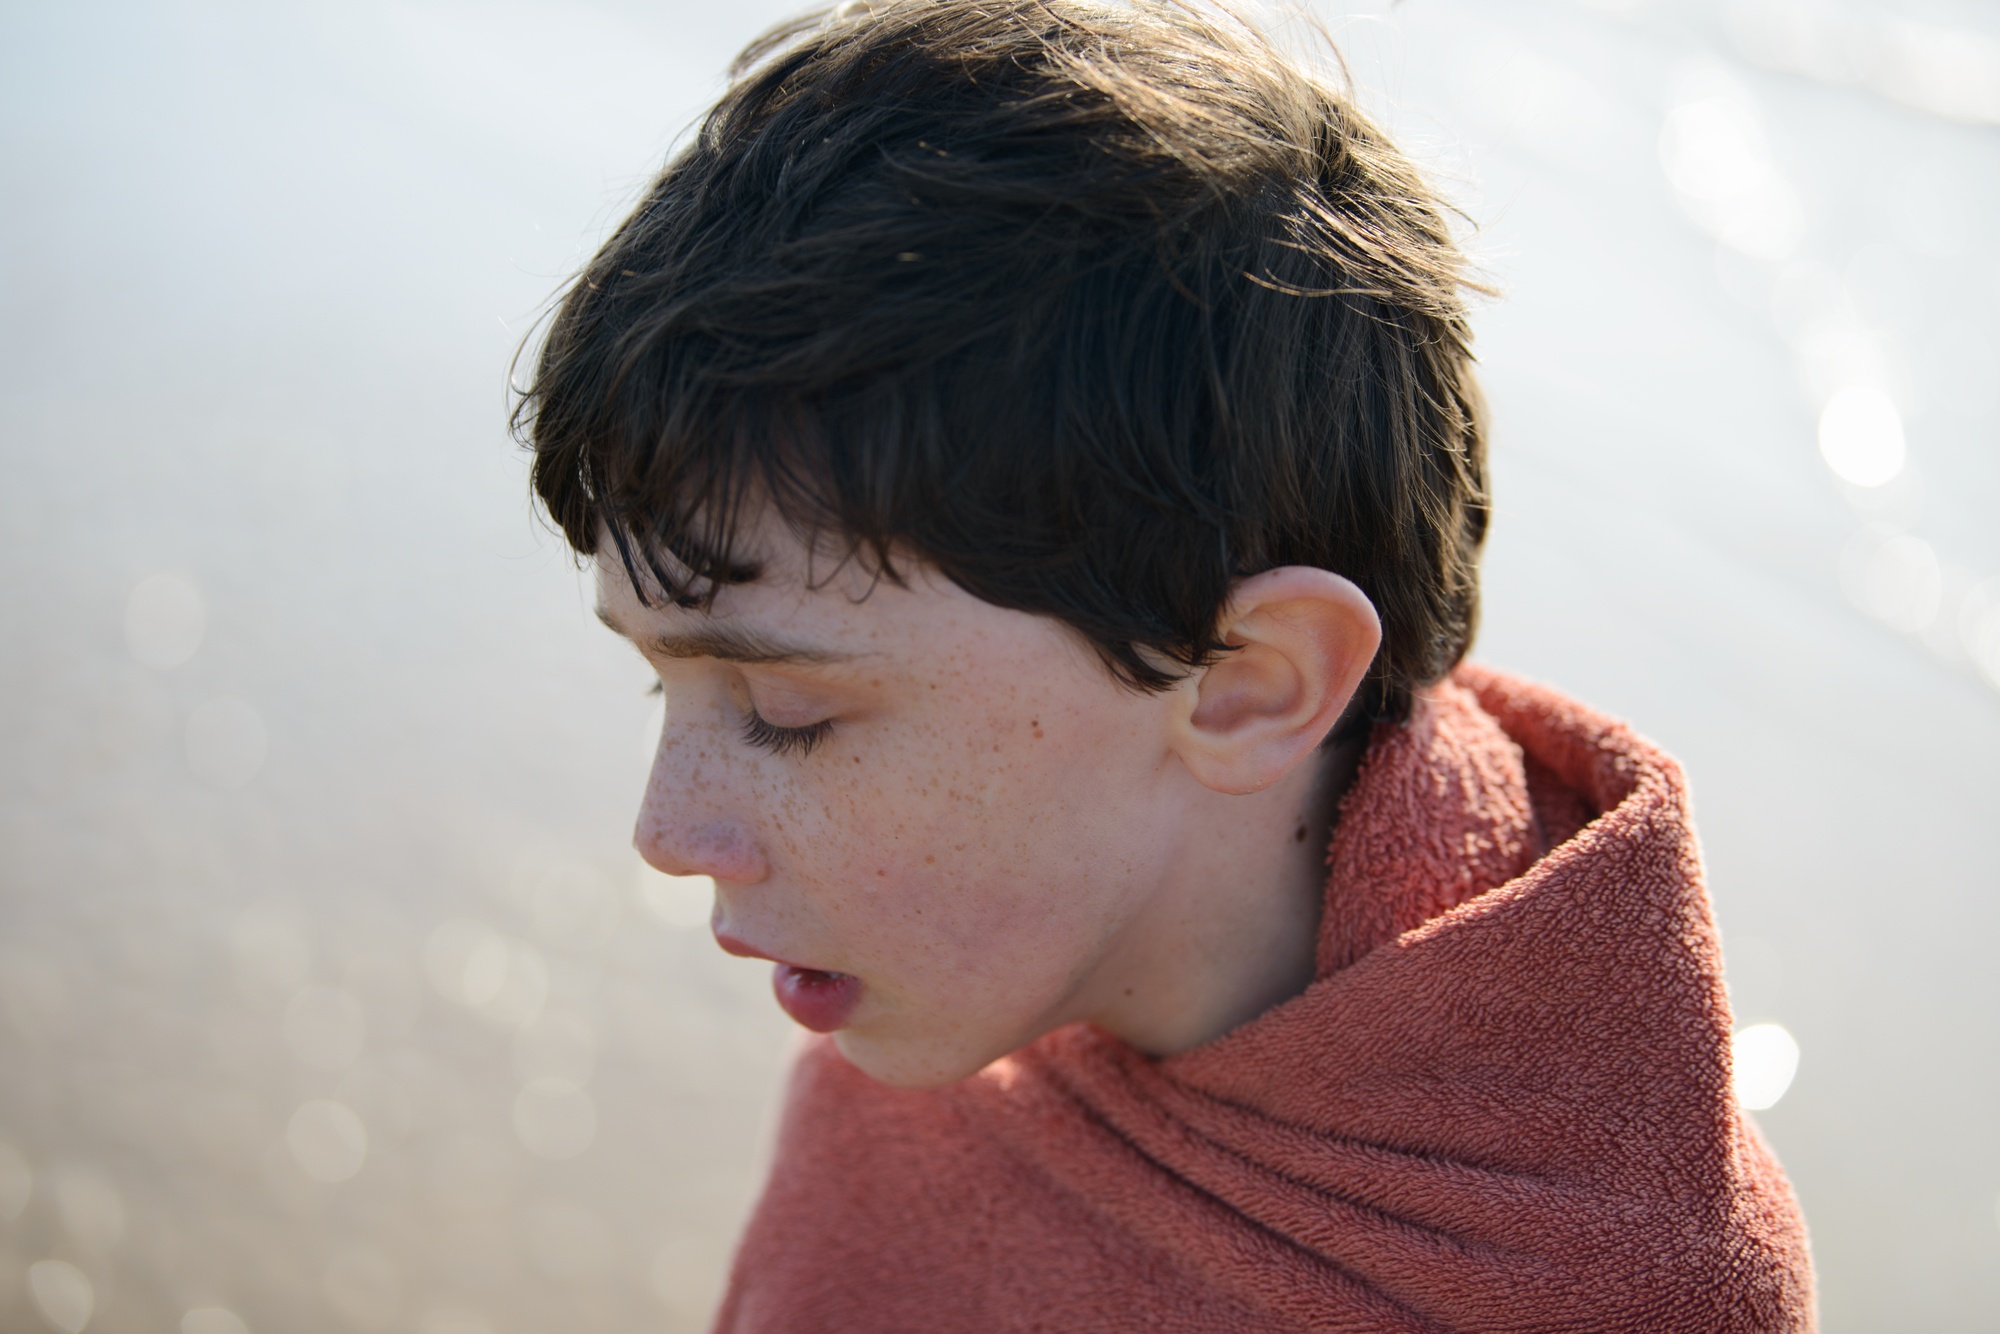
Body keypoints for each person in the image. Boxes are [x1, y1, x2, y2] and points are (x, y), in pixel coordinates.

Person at [514, 1, 1816, 1328]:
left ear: (1247, 680)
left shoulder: (1613, 1288)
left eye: (791, 713)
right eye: (661, 678)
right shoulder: (950, 984)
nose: (665, 832)